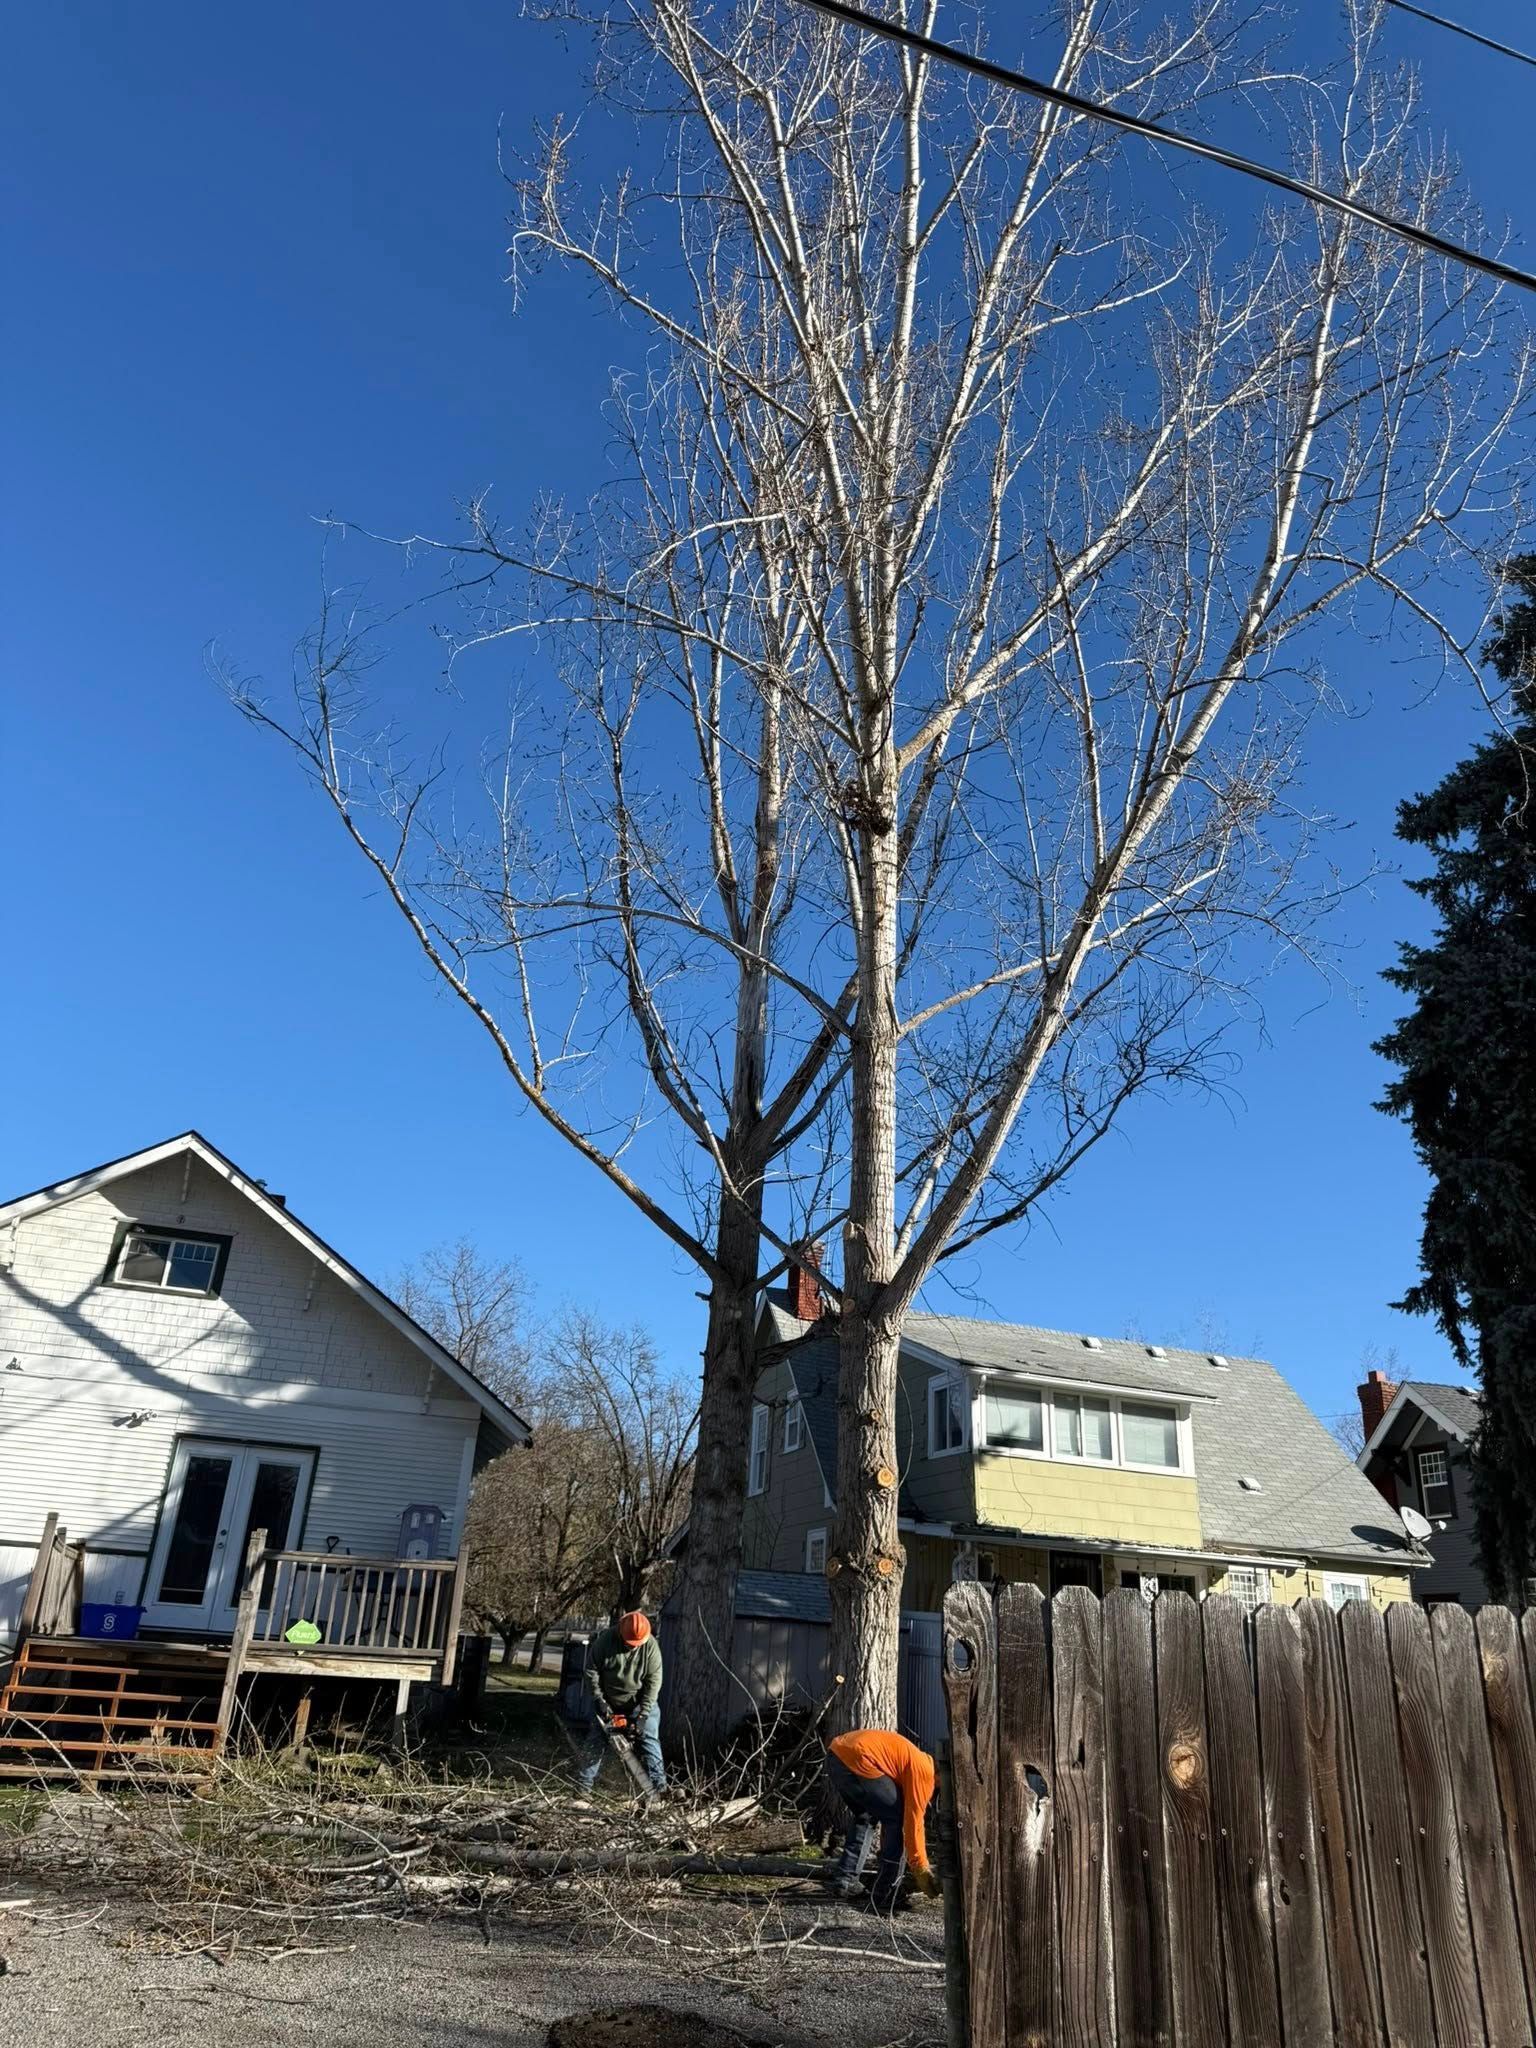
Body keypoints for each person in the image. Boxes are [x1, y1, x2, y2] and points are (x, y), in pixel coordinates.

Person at [824, 1727, 941, 1911]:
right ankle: (886, 1893)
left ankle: (845, 1881)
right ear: (940, 1778)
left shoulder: (912, 1760)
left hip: (836, 1755)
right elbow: (913, 1822)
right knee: (897, 1820)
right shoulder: (926, 1773)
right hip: (859, 1757)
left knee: (865, 1816)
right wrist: (920, 1867)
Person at [576, 1609, 666, 1799]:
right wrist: (599, 1700)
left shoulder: (650, 1647)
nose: (633, 1647)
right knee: (595, 1742)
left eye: (636, 1644)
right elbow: (591, 1672)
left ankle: (661, 1788)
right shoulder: (605, 1641)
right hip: (608, 1700)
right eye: (629, 1643)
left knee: (650, 1739)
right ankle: (583, 1789)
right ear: (621, 1632)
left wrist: (643, 1715)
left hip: (639, 1702)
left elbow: (653, 1683)